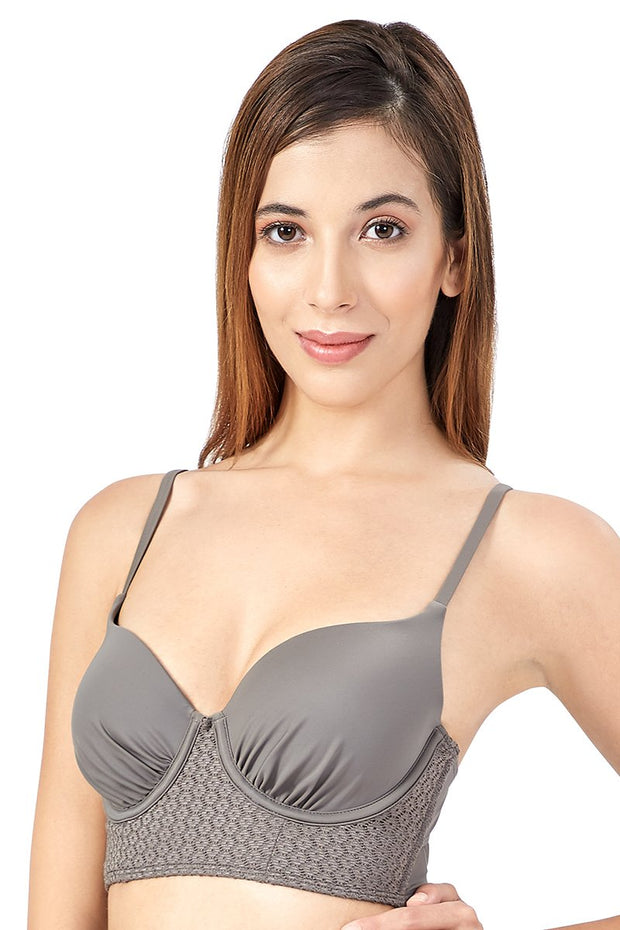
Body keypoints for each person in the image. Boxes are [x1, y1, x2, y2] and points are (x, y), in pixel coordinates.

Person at [27, 17, 619, 930]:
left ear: (455, 258)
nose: (330, 288)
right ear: (244, 253)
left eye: (382, 229)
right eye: (286, 231)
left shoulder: (529, 549)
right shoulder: (121, 531)